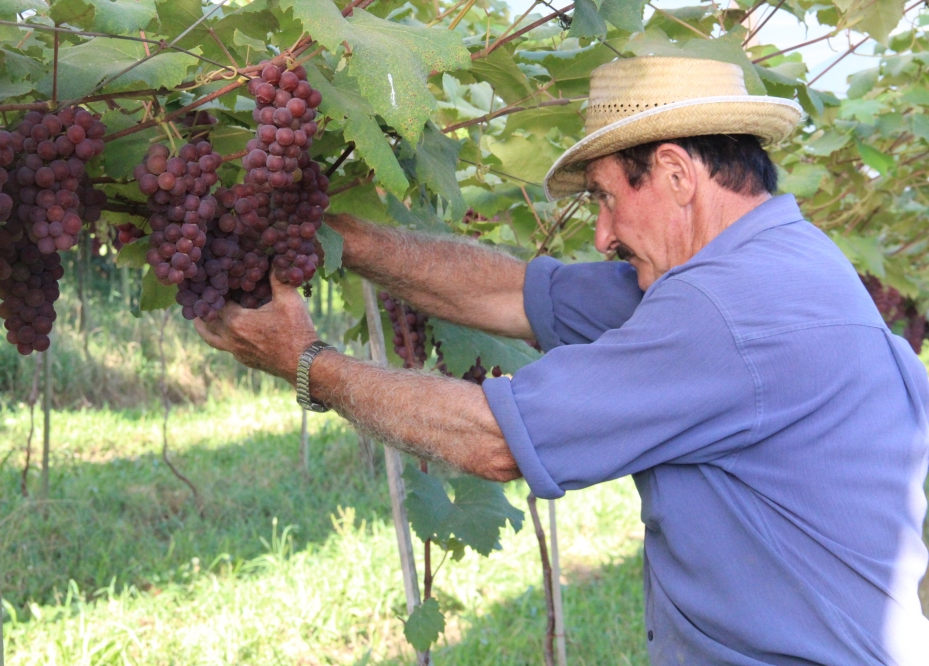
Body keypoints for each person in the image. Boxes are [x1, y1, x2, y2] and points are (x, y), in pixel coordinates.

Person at [196, 57, 929, 664]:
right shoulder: (763, 265)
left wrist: (306, 361)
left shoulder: (729, 310)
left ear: (676, 174)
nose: (604, 235)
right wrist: (334, 233)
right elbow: (514, 294)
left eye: (608, 199)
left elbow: (493, 439)